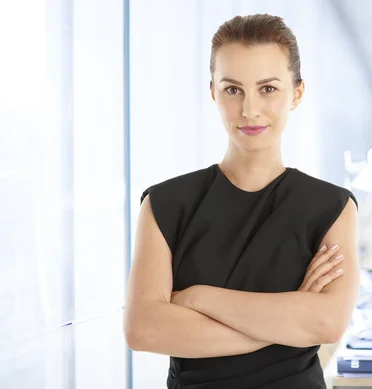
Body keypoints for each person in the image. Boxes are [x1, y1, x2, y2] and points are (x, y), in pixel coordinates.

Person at [123, 13, 359, 389]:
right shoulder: (165, 204)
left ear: (296, 93)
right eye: (233, 89)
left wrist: (199, 298)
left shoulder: (332, 206)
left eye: (268, 89)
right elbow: (144, 331)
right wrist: (287, 321)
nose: (249, 109)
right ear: (213, 91)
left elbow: (327, 323)